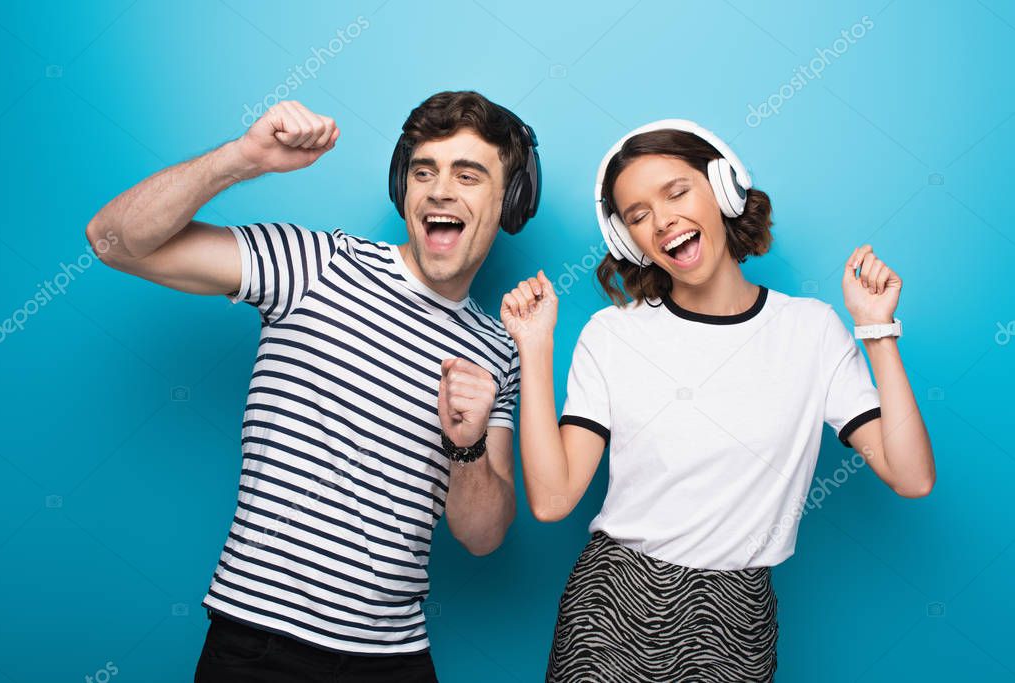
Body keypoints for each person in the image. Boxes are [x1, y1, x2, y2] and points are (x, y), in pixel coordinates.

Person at [86, 90, 541, 682]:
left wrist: (468, 444)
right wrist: (240, 160)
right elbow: (111, 240)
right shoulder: (313, 264)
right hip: (259, 645)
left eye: (468, 174)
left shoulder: (499, 351)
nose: (439, 190)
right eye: (424, 171)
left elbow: (481, 537)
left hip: (395, 659)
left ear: (509, 201)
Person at [500, 119, 935, 682]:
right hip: (614, 604)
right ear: (626, 239)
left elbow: (912, 476)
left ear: (723, 189)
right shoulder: (612, 335)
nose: (662, 221)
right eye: (637, 215)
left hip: (739, 613)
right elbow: (554, 499)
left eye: (676, 192)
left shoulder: (812, 330)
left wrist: (877, 332)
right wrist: (534, 349)